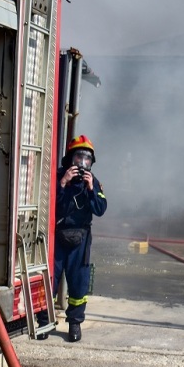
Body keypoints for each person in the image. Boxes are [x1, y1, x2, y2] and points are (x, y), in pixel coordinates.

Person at [54, 135, 107, 342]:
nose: (82, 164)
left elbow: (100, 209)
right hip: (57, 235)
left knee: (79, 282)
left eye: (86, 160)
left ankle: (74, 324)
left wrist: (92, 189)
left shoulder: (94, 183)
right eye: (78, 159)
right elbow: (50, 203)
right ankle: (43, 321)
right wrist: (63, 183)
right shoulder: (59, 177)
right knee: (50, 279)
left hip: (81, 238)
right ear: (70, 159)